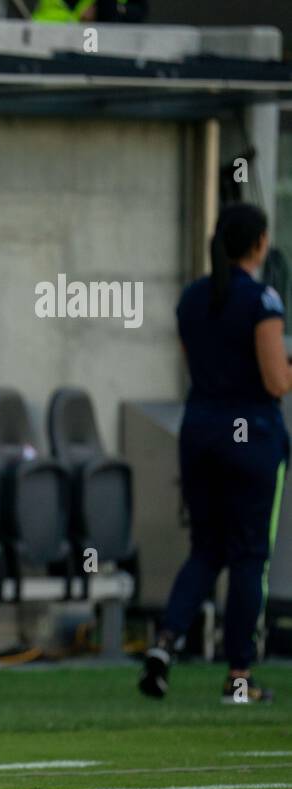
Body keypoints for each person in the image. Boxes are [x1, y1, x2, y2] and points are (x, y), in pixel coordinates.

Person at [139, 203, 289, 704]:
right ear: (260, 244)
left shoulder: (191, 298)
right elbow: (276, 380)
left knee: (206, 549)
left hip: (200, 432)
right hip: (250, 435)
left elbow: (196, 365)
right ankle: (238, 679)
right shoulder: (261, 299)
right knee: (249, 557)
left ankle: (164, 644)